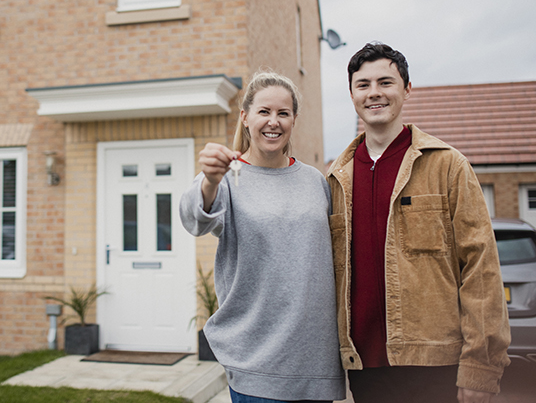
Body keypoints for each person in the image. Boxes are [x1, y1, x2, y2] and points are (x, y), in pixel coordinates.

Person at [327, 42, 511, 403]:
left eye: (385, 82)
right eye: (363, 85)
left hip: (436, 365)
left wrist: (481, 367)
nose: (374, 93)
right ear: (351, 94)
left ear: (407, 90)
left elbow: (481, 269)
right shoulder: (336, 177)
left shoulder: (448, 166)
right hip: (364, 368)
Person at [179, 69, 345, 403]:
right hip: (256, 364)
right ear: (245, 117)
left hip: (316, 362)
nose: (274, 121)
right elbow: (193, 219)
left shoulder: (316, 182)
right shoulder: (227, 179)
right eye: (264, 111)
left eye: (283, 113)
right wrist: (209, 181)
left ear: (294, 120)